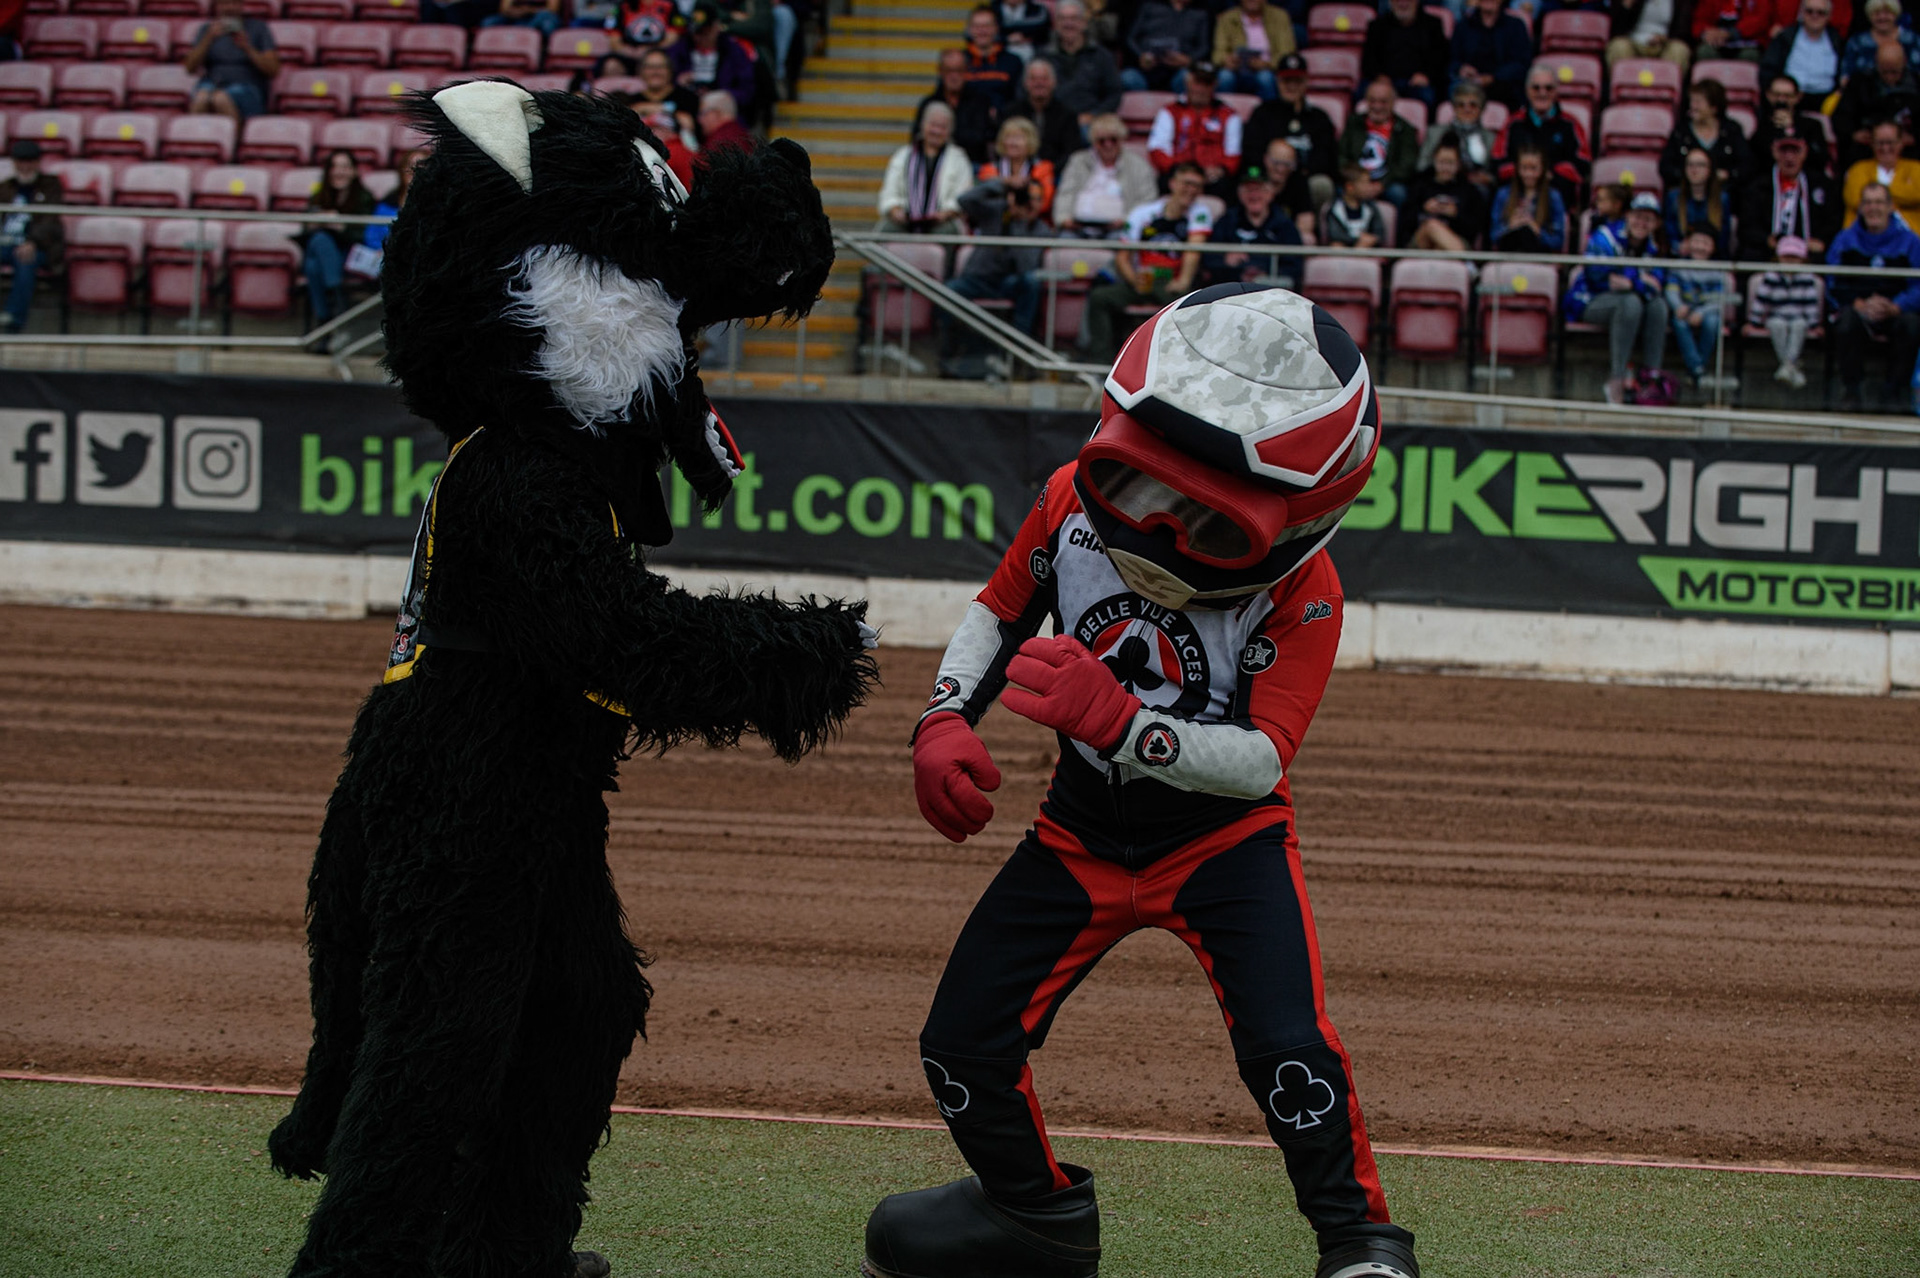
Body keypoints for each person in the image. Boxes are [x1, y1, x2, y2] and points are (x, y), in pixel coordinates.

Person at [868, 283, 1416, 1278]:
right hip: (1077, 835)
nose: (1161, 531)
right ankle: (1032, 1215)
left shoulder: (1305, 590)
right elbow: (999, 612)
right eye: (1142, 490)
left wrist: (1124, 726)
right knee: (960, 1045)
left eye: (1209, 523)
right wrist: (943, 716)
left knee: (1290, 1052)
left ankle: (1361, 1245)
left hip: (1225, 845)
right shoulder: (1070, 499)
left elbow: (1260, 761)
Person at [1083, 162, 1212, 357]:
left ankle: (1176, 361)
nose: (1191, 190)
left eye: (1197, 186)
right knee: (1100, 297)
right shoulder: (1144, 213)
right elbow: (1123, 256)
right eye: (1187, 183)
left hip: (1172, 282)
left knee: (1186, 307)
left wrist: (1183, 281)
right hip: (1142, 279)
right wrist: (1134, 280)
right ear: (1173, 184)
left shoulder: (1200, 212)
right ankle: (1101, 362)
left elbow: (1193, 249)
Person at [1565, 190, 1669, 403]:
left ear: (1656, 223)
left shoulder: (1656, 248)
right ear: (1628, 216)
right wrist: (1640, 281)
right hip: (1590, 300)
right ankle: (1617, 379)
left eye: (1648, 219)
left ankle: (1651, 378)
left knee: (1658, 305)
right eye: (1638, 216)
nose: (1642, 223)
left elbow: (1656, 286)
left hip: (1628, 302)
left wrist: (1629, 282)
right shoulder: (1605, 236)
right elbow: (1597, 275)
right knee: (1631, 302)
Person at [1828, 180, 1920, 406]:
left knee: (1911, 325)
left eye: (1879, 202)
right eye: (1868, 203)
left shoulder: (1910, 241)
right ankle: (1852, 392)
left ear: (1891, 207)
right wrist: (1857, 303)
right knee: (1846, 321)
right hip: (1859, 310)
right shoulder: (1845, 239)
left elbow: (1918, 286)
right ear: (1860, 208)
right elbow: (1832, 281)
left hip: (1895, 311)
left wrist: (1896, 306)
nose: (1873, 208)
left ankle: (1893, 393)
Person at [944, 170, 1047, 366]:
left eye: (1037, 199)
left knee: (1031, 283)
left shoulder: (1040, 229)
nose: (1030, 204)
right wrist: (1003, 184)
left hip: (1010, 283)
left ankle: (1017, 355)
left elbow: (1026, 266)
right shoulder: (997, 210)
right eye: (1027, 198)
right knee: (948, 291)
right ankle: (954, 354)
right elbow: (965, 200)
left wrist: (1019, 224)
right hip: (979, 279)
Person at [1242, 54, 1339, 207]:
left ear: (1306, 82)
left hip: (1304, 180)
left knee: (1322, 184)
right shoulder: (1262, 113)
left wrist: (1294, 171)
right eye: (1286, 81)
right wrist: (1274, 172)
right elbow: (1251, 153)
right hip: (1269, 178)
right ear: (1278, 81)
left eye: (1297, 81)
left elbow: (1327, 158)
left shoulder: (1319, 117)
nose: (1291, 86)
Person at [1497, 65, 1591, 206]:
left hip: (1557, 194)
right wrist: (1527, 174)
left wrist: (1548, 175)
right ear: (1527, 91)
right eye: (1536, 88)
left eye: (1548, 88)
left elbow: (1583, 164)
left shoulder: (1570, 124)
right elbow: (1498, 163)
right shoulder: (1513, 124)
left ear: (1556, 91)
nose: (1542, 93)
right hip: (1517, 194)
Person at [1147, 61, 1243, 196]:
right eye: (1197, 82)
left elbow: (1233, 155)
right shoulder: (1170, 111)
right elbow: (1157, 149)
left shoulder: (1229, 115)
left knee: (1229, 186)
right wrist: (1180, 171)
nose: (1201, 88)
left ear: (1215, 85)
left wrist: (1221, 170)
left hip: (1213, 178)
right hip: (1179, 173)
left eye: (1207, 83)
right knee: (1163, 182)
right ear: (1187, 81)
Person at [1054, 113, 1159, 235]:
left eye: (1113, 140)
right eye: (1101, 141)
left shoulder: (1139, 165)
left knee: (1123, 241)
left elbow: (1147, 200)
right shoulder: (1078, 161)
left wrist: (1126, 219)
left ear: (1121, 140)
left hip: (1119, 228)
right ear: (1093, 142)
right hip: (1077, 227)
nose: (1108, 145)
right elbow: (1066, 193)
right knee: (1064, 241)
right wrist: (1064, 218)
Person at [302, 148, 375, 324]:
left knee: (313, 267)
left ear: (354, 171)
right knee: (320, 240)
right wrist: (315, 223)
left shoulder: (364, 198)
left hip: (349, 252)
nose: (339, 172)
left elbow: (366, 233)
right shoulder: (318, 197)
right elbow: (304, 229)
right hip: (323, 250)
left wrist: (341, 227)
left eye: (345, 167)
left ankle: (324, 321)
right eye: (334, 167)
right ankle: (336, 295)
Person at [1740, 131, 1839, 257]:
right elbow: (1747, 226)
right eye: (1784, 151)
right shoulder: (1758, 187)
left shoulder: (1821, 186)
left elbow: (1833, 221)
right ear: (1774, 152)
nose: (1789, 158)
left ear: (1804, 153)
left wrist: (1821, 241)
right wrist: (1766, 240)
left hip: (1809, 257)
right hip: (1767, 255)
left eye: (1795, 151)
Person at [1203, 161, 1303, 284]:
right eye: (1248, 190)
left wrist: (1266, 273)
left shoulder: (1285, 225)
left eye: (1259, 189)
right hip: (1231, 288)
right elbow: (1208, 258)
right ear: (1240, 194)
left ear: (1270, 194)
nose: (1254, 195)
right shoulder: (1226, 221)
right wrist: (1226, 260)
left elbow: (1295, 266)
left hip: (1270, 290)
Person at [880, 101, 973, 231]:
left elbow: (963, 195)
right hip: (906, 219)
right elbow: (889, 192)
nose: (936, 131)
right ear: (923, 125)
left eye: (942, 127)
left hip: (944, 220)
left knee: (946, 232)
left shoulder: (959, 158)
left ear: (950, 131)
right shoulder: (903, 155)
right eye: (933, 125)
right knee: (886, 229)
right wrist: (895, 210)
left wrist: (947, 213)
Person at [0, 139, 62, 333]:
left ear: (37, 163)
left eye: (30, 161)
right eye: (21, 161)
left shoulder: (51, 186)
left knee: (26, 260)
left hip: (38, 247)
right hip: (5, 242)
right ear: (14, 163)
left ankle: (13, 320)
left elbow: (50, 220)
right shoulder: (5, 187)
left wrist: (33, 242)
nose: (25, 166)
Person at [183, 0, 279, 122]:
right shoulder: (206, 30)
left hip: (248, 88)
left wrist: (247, 48)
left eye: (234, 3)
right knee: (200, 98)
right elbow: (189, 68)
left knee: (221, 99)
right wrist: (208, 39)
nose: (229, 8)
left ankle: (234, 140)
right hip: (212, 84)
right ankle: (198, 139)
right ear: (216, 6)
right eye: (224, 3)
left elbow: (273, 70)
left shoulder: (259, 28)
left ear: (241, 5)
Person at [1749, 233, 1822, 386]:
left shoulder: (1807, 278)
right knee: (1777, 325)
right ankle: (1791, 367)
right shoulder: (1770, 277)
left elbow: (1810, 304)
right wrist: (1754, 323)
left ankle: (1786, 366)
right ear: (1779, 257)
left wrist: (1814, 325)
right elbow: (1761, 302)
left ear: (1802, 260)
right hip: (1776, 316)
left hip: (1798, 317)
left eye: (1794, 257)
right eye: (1786, 256)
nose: (1790, 261)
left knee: (1800, 325)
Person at [1666, 224, 1736, 384]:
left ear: (1713, 247)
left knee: (1713, 323)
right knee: (1679, 322)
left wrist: (1701, 313)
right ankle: (1697, 366)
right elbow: (1671, 290)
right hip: (1684, 309)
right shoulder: (1678, 267)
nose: (1700, 247)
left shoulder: (1718, 271)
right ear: (1688, 243)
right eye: (1696, 241)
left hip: (1708, 311)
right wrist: (1678, 307)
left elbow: (1719, 300)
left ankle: (1697, 366)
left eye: (1705, 243)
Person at [1834, 40, 1920, 168]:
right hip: (1867, 147)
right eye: (1885, 72)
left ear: (1904, 62)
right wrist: (1853, 134)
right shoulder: (1859, 83)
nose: (1889, 77)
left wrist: (1914, 137)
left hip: (1908, 149)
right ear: (1877, 63)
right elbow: (1840, 117)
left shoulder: (1917, 84)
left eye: (1894, 72)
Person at [1041, 0, 1124, 131]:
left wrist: (1094, 115)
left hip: (1091, 121)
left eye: (1074, 18)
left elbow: (1114, 95)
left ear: (1084, 23)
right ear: (1055, 23)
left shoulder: (1101, 56)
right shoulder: (1042, 56)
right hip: (1051, 121)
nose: (1068, 24)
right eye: (1063, 18)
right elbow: (1026, 92)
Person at [1338, 77, 1419, 207]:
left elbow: (1406, 165)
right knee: (1337, 190)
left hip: (1388, 182)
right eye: (1372, 101)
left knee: (1399, 193)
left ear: (1393, 102)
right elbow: (1342, 156)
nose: (1377, 106)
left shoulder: (1405, 129)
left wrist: (1381, 184)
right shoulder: (1354, 123)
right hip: (1355, 180)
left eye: (1383, 102)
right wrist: (1357, 182)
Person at [669, 0, 757, 119]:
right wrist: (677, 83)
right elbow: (662, 83)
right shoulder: (680, 49)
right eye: (697, 32)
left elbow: (748, 91)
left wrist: (721, 95)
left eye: (706, 31)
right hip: (686, 107)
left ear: (717, 27)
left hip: (722, 110)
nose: (700, 37)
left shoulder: (733, 50)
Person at [1658, 78, 1748, 191]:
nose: (1693, 106)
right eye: (1692, 101)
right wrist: (1690, 175)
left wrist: (1727, 174)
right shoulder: (1680, 132)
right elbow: (1665, 167)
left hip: (1725, 192)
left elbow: (1747, 165)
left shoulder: (1731, 130)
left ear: (1714, 108)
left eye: (1698, 102)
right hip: (1687, 193)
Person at [1360, 0, 1450, 109]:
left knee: (1430, 95)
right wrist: (1379, 77)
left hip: (1418, 84)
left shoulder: (1433, 24)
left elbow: (1441, 58)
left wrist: (1426, 76)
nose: (1402, 3)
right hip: (1385, 81)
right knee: (1361, 94)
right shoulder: (1377, 25)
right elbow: (1368, 60)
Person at [921, 47, 1002, 165]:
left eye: (959, 70)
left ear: (966, 71)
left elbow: (980, 140)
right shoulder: (929, 104)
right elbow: (919, 139)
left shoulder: (981, 102)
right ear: (940, 71)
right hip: (935, 165)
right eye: (949, 70)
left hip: (972, 164)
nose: (954, 76)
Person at [1404, 137, 1486, 249]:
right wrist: (1424, 209)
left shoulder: (1469, 191)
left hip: (1455, 241)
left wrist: (1455, 214)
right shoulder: (1420, 186)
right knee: (1432, 225)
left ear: (1459, 164)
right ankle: (1467, 263)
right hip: (1422, 241)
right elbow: (1405, 225)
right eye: (1442, 162)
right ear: (1434, 160)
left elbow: (1474, 230)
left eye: (1451, 163)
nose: (1446, 168)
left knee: (1439, 242)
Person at [1450, 0, 1534, 109]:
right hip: (1469, 84)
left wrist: (1493, 78)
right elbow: (1452, 61)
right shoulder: (1463, 26)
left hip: (1504, 86)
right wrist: (1461, 69)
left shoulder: (1516, 26)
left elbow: (1521, 63)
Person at [1006, 57, 1085, 168]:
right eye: (1033, 79)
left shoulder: (1067, 114)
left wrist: (1048, 170)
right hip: (1015, 173)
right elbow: (1002, 147)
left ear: (1054, 82)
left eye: (1044, 79)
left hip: (1057, 173)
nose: (1039, 83)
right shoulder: (1011, 113)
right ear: (1025, 83)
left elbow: (1072, 153)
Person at [1751, 73, 1833, 177]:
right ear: (1768, 95)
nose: (1781, 100)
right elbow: (1756, 159)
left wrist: (1792, 129)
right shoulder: (1761, 125)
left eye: (1787, 96)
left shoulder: (1812, 125)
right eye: (1776, 94)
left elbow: (1820, 160)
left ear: (1798, 97)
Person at [1420, 79, 1499, 187]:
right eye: (1461, 105)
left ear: (1482, 109)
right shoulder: (1435, 133)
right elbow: (1421, 166)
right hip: (1440, 185)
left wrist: (1488, 178)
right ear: (1454, 108)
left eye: (1473, 105)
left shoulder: (1491, 138)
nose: (1467, 109)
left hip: (1476, 189)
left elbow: (1496, 173)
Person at [1489, 143, 1567, 251]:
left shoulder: (1553, 197)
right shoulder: (1503, 194)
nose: (1528, 174)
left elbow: (1558, 242)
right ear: (1517, 168)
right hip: (1509, 254)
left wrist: (1536, 230)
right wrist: (1510, 227)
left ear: (1542, 169)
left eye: (1533, 168)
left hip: (1540, 255)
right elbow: (1493, 236)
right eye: (1524, 168)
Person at [1213, 0, 1295, 101]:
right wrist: (1227, 60)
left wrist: (1266, 64)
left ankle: (1270, 114)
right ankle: (1223, 115)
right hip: (1237, 70)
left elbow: (1286, 52)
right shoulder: (1227, 18)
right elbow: (1217, 53)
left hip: (1267, 69)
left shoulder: (1280, 16)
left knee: (1265, 78)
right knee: (1224, 77)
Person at [1842, 116, 1920, 222]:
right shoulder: (1858, 169)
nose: (1885, 148)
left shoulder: (1916, 168)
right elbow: (1856, 200)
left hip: (1910, 234)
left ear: (1901, 143)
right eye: (1880, 143)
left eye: (1890, 142)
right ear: (1872, 143)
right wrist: (1901, 199)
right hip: (1864, 236)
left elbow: (1916, 195)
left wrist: (1875, 195)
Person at [1759, 0, 1842, 98]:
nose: (1814, 16)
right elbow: (1768, 69)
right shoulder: (1785, 37)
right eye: (1809, 11)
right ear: (1801, 13)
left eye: (1821, 13)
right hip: (1789, 98)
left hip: (1826, 97)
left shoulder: (1837, 40)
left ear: (1829, 16)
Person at [1124, 0, 1211, 93]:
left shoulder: (1200, 14)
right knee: (1128, 78)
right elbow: (1130, 38)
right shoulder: (1149, 7)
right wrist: (1140, 55)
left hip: (1178, 70)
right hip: (1146, 68)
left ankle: (1181, 106)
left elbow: (1204, 47)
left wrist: (1189, 60)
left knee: (1187, 78)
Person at [979, 115, 1056, 218]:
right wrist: (1007, 181)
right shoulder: (988, 169)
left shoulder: (1043, 168)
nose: (1012, 143)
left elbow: (1045, 203)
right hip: (995, 221)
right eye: (1008, 137)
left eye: (1018, 138)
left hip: (1031, 220)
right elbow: (982, 200)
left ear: (1030, 141)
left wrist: (1022, 209)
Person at [1665, 147, 1733, 256]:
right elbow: (1669, 234)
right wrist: (1680, 246)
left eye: (1700, 165)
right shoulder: (1673, 198)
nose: (1694, 169)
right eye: (1690, 165)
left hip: (1713, 260)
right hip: (1681, 260)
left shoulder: (1722, 199)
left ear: (1710, 169)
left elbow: (1724, 238)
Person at [963, 6, 1025, 115]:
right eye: (977, 26)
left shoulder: (1013, 62)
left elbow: (1020, 100)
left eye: (986, 26)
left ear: (996, 28)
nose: (982, 31)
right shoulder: (959, 62)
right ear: (969, 30)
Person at [629, 46, 700, 141]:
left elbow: (690, 126)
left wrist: (648, 109)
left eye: (661, 66)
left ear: (670, 70)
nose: (655, 72)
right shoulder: (631, 100)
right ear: (640, 72)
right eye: (649, 67)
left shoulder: (688, 98)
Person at [1840, 0, 1918, 84]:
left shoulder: (1912, 40)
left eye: (1887, 13)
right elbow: (1845, 77)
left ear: (1895, 14)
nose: (1882, 17)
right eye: (1877, 13)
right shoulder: (1857, 43)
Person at [1606, 0, 1693, 74]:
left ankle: (1667, 90)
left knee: (1679, 50)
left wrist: (1664, 39)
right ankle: (1624, 89)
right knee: (1618, 47)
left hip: (1665, 43)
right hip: (1633, 42)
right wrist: (1626, 7)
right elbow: (1616, 30)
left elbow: (1683, 29)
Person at [1263, 137, 1321, 241]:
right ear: (1266, 160)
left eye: (1287, 164)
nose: (1280, 169)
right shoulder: (1255, 180)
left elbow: (1306, 221)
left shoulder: (1299, 182)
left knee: (1308, 239)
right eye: (1276, 163)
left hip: (1287, 237)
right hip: (1256, 237)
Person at [602, 0, 681, 72]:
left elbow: (673, 36)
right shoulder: (623, 5)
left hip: (660, 52)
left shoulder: (669, 4)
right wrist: (630, 52)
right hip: (629, 55)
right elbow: (614, 40)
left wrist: (650, 51)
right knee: (611, 65)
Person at [1322, 163, 1387, 246]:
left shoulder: (1371, 208)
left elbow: (1379, 233)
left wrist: (1370, 239)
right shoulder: (1335, 209)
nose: (1369, 187)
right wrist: (1357, 241)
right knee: (1336, 246)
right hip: (1343, 250)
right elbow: (1334, 235)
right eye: (1364, 183)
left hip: (1367, 250)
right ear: (1350, 187)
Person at [1691, 0, 1772, 63]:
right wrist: (1707, 33)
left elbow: (1761, 20)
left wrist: (1730, 33)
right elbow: (1699, 21)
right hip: (1717, 42)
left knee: (1750, 55)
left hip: (1747, 42)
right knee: (1705, 52)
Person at [696, 87, 754, 153]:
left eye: (703, 114)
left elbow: (699, 162)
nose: (699, 120)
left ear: (716, 113)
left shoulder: (721, 142)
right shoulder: (742, 135)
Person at [483, 0, 561, 38]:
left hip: (538, 16)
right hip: (516, 16)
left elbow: (552, 9)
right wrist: (518, 12)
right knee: (488, 22)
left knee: (547, 22)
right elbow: (504, 9)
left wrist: (529, 10)